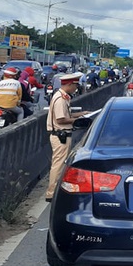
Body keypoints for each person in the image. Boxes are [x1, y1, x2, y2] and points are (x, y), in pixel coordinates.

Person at [45, 72, 87, 202]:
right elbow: (62, 119)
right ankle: (52, 193)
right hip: (60, 135)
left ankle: (54, 191)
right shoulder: (60, 99)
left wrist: (81, 114)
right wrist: (77, 120)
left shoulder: (63, 97)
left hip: (62, 135)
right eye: (75, 85)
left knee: (60, 164)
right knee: (58, 165)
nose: (76, 88)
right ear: (69, 84)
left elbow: (65, 116)